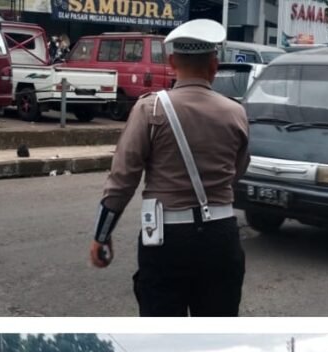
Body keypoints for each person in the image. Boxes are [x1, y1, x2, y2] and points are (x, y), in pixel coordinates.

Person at [89, 18, 250, 317]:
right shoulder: (236, 113)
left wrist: (102, 234)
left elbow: (122, 179)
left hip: (166, 239)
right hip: (221, 237)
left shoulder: (149, 109)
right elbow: (237, 171)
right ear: (214, 66)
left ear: (172, 63)